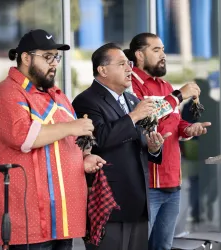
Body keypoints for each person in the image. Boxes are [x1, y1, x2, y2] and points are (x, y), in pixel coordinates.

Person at [0, 29, 106, 250]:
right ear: (26, 58)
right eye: (47, 57)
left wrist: (83, 159)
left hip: (63, 216)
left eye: (56, 57)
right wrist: (70, 126)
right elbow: (24, 137)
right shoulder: (7, 93)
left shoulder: (57, 95)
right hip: (27, 219)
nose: (54, 63)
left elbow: (68, 141)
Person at [72, 43, 172, 250]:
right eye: (122, 64)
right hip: (108, 203)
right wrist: (134, 116)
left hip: (138, 200)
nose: (129, 69)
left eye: (130, 63)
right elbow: (101, 138)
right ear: (103, 70)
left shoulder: (132, 99)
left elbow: (139, 142)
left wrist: (154, 147)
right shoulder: (86, 101)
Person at [124, 32, 211, 250]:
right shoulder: (130, 84)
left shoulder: (164, 85)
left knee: (162, 247)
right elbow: (146, 121)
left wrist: (190, 129)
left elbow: (174, 123)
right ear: (139, 55)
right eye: (156, 50)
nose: (163, 55)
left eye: (163, 49)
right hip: (147, 185)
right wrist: (179, 95)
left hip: (173, 182)